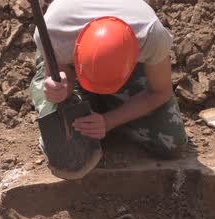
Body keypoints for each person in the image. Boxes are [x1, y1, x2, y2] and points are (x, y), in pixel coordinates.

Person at [30, 0, 188, 159]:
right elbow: (65, 80)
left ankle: (103, 108)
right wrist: (60, 88)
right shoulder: (54, 34)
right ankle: (88, 101)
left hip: (132, 56)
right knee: (65, 152)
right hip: (66, 57)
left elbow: (160, 92)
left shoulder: (151, 36)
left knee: (171, 143)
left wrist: (109, 121)